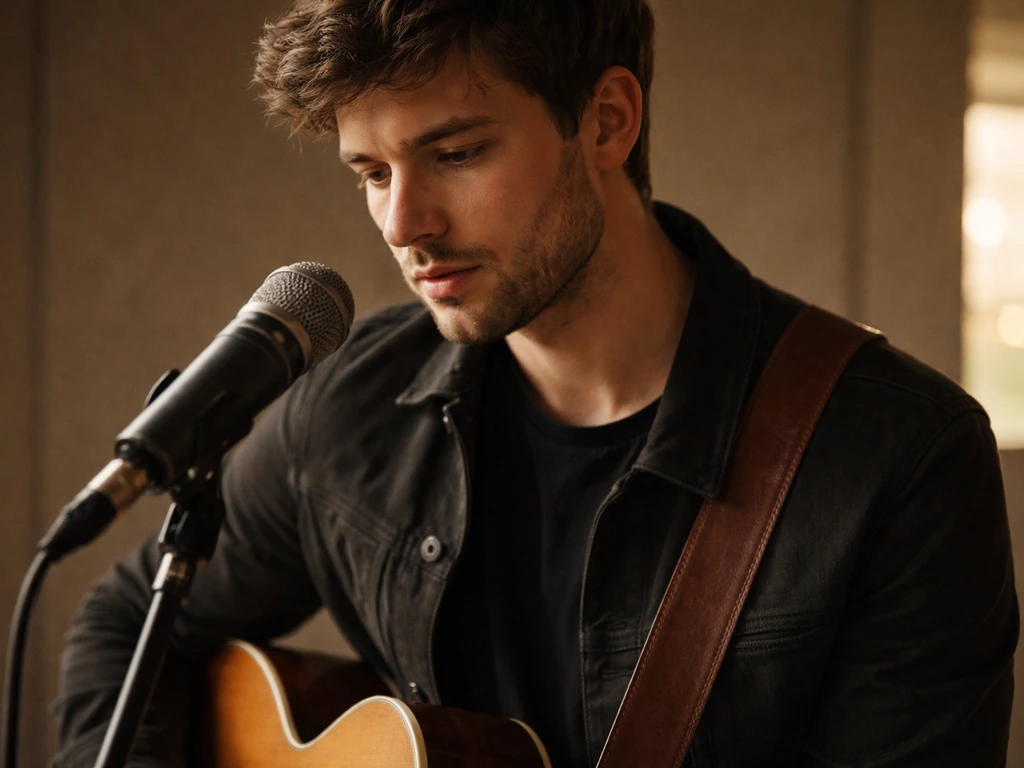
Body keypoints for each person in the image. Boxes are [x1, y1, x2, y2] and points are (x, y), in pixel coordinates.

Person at [54, 1, 1018, 766]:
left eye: (455, 153)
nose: (403, 223)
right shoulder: (344, 410)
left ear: (606, 122)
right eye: (370, 171)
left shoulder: (899, 456)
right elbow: (125, 624)